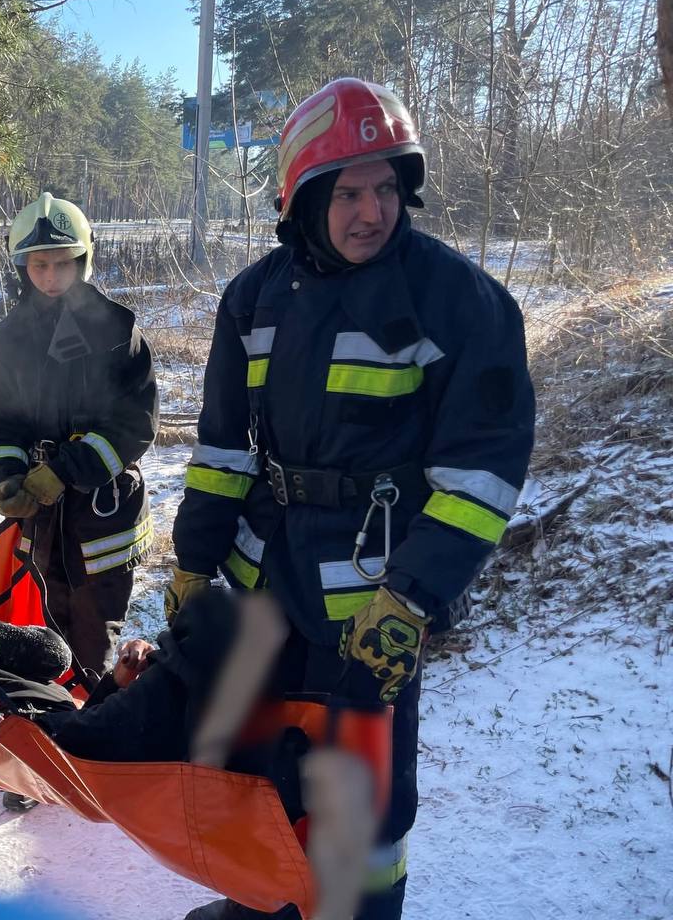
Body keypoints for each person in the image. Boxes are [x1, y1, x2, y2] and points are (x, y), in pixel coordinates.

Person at [165, 78, 536, 920]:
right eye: (350, 192)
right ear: (301, 199)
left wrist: (412, 596)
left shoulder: (457, 299)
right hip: (265, 582)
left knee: (362, 803)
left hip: (372, 598)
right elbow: (223, 453)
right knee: (259, 769)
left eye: (387, 188)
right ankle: (263, 904)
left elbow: (480, 476)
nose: (374, 211)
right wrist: (193, 567)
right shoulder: (252, 299)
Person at [0, 192, 159, 684]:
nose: (51, 278)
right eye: (38, 266)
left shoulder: (119, 331)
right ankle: (54, 728)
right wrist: (6, 476)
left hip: (103, 522)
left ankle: (96, 734)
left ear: (83, 261)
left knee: (95, 647)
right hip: (41, 522)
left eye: (61, 264)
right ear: (22, 267)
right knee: (45, 638)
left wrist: (66, 470)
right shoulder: (7, 340)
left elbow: (135, 424)